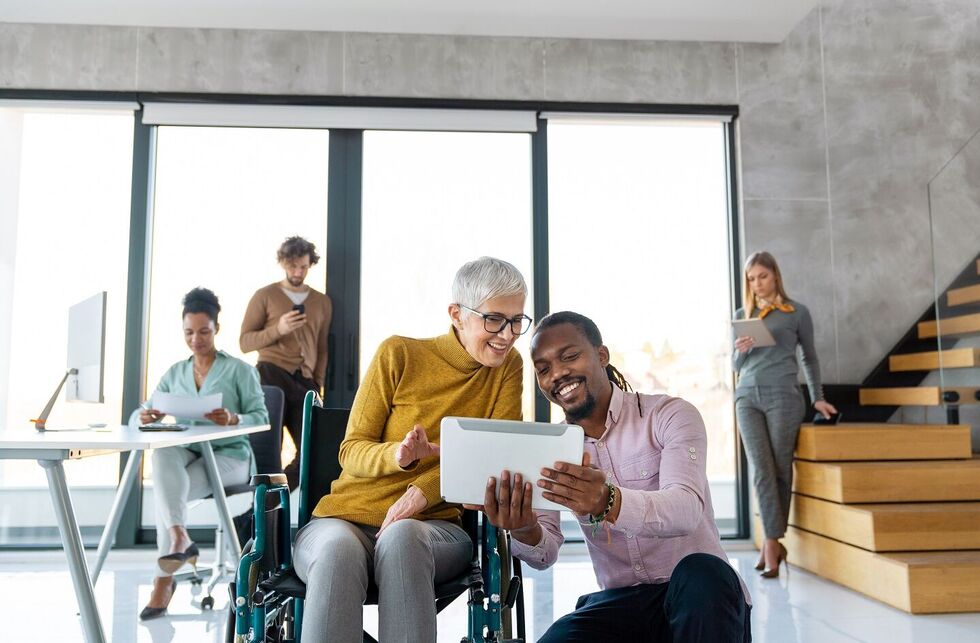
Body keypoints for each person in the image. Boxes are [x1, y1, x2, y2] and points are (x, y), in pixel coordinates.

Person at [292, 257, 529, 643]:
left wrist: (422, 492)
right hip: (341, 521)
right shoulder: (398, 354)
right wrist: (398, 458)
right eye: (494, 320)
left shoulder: (507, 368)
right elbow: (351, 450)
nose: (508, 334)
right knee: (337, 551)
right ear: (457, 314)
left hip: (433, 530)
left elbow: (495, 455)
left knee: (403, 536)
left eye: (517, 320)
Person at [478, 311, 751, 642]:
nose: (558, 374)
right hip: (624, 605)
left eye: (570, 357)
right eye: (544, 369)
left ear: (601, 355)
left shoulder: (669, 415)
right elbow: (544, 553)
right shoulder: (551, 447)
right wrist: (523, 527)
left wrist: (607, 501)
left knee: (704, 572)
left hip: (701, 599)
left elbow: (686, 509)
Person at [135, 288, 269, 620]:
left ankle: (162, 581)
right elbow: (141, 411)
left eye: (204, 331)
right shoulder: (175, 372)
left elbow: (262, 418)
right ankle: (180, 537)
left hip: (229, 459)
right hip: (186, 454)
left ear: (216, 329)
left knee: (166, 499)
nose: (196, 339)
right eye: (189, 333)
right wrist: (144, 415)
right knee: (162, 456)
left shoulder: (239, 370)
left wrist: (234, 418)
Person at [733, 250, 837, 578]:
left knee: (780, 468)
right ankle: (772, 544)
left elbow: (810, 357)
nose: (757, 283)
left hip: (784, 396)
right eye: (751, 278)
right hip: (747, 396)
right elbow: (737, 367)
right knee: (761, 471)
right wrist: (742, 351)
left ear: (775, 275)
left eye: (762, 276)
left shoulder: (796, 313)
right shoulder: (743, 314)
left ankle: (771, 544)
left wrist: (818, 397)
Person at [240, 235, 332, 491]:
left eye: (303, 266)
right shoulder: (265, 296)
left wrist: (318, 383)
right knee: (269, 452)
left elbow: (322, 347)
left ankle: (268, 501)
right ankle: (262, 515)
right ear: (282, 263)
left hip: (305, 382)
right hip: (270, 375)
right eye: (292, 266)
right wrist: (278, 329)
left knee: (313, 451)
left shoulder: (322, 302)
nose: (298, 272)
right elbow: (245, 342)